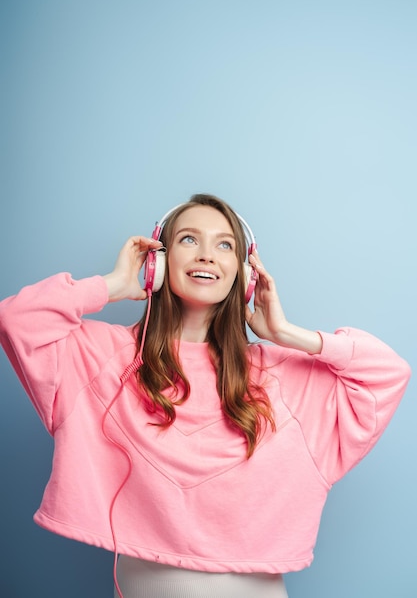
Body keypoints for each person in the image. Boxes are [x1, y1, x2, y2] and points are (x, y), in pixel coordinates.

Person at [0, 193, 411, 598]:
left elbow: (388, 374)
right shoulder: (105, 358)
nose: (207, 255)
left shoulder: (283, 376)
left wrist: (288, 335)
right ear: (157, 262)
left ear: (245, 274)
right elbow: (17, 320)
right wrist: (114, 285)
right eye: (189, 240)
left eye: (225, 244)